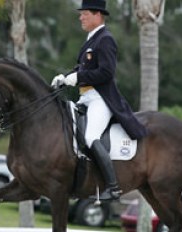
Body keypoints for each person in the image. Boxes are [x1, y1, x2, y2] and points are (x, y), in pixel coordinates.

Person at [51, 0, 147, 201]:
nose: (81, 17)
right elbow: (84, 69)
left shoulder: (105, 39)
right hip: (86, 98)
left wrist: (78, 78)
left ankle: (113, 187)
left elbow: (106, 72)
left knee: (90, 136)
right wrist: (65, 76)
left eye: (84, 13)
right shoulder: (92, 39)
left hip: (101, 99)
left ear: (97, 15)